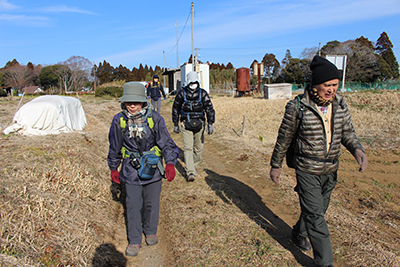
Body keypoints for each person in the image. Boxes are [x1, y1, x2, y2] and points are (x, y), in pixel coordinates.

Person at [270, 56, 368, 267]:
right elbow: (284, 137)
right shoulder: (298, 107)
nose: (332, 89)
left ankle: (298, 232)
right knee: (316, 217)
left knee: (319, 210)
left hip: (331, 169)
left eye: (334, 85)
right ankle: (325, 263)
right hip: (307, 169)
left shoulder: (340, 104)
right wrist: (276, 165)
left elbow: (348, 133)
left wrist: (357, 149)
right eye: (327, 85)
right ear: (315, 85)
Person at [107, 82, 178, 257]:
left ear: (143, 102)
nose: (132, 105)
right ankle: (134, 239)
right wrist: (113, 168)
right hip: (130, 170)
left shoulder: (154, 118)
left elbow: (167, 143)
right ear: (124, 102)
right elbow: (114, 146)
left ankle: (151, 230)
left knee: (151, 203)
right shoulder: (119, 120)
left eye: (136, 102)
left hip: (152, 168)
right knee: (132, 205)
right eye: (129, 102)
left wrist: (170, 163)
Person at [172, 71, 215, 182]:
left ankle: (193, 164)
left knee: (198, 148)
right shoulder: (182, 93)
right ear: (187, 82)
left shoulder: (203, 93)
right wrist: (175, 124)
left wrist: (210, 123)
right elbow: (175, 108)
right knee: (188, 147)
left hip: (200, 124)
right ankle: (190, 171)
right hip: (186, 123)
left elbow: (209, 109)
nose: (193, 84)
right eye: (191, 82)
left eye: (195, 82)